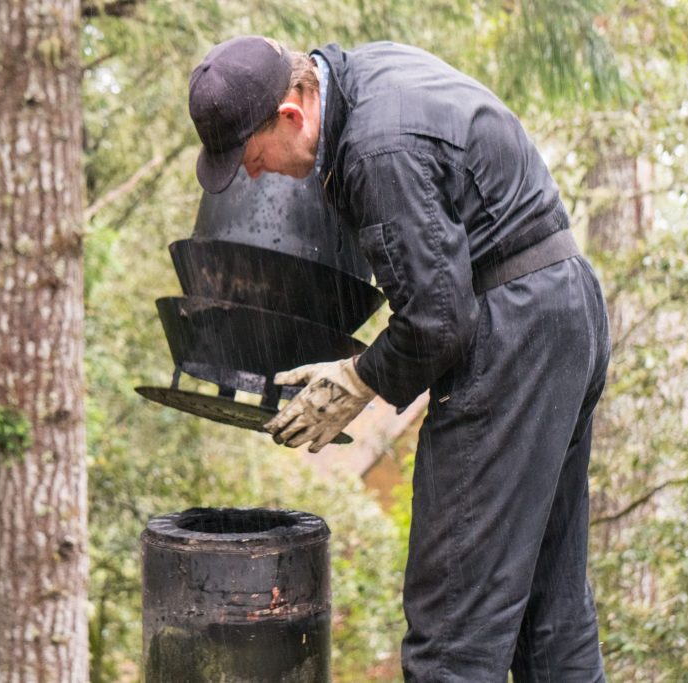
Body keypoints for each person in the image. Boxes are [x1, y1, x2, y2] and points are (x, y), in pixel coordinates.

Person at [187, 35, 610, 682]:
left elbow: (439, 321)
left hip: (512, 335)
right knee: (550, 614)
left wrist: (359, 377)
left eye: (252, 156)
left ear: (293, 115)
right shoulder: (365, 76)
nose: (254, 174)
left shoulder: (376, 151)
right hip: (563, 307)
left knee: (452, 633)